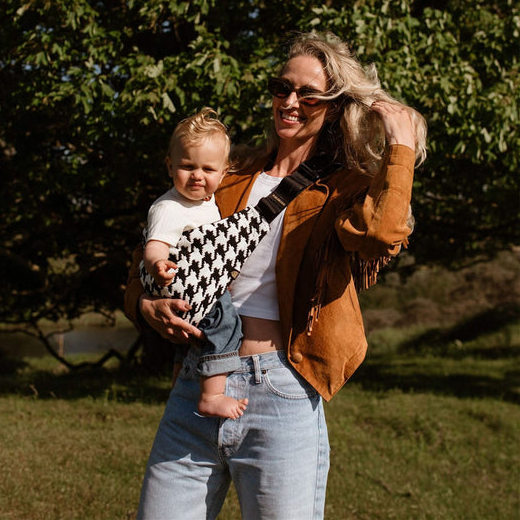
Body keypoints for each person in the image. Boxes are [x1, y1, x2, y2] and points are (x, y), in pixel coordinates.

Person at [124, 30, 427, 519]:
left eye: (309, 95)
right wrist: (145, 305)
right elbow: (151, 250)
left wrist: (401, 148)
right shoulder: (230, 173)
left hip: (282, 389)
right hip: (198, 383)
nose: (290, 102)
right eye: (281, 88)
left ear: (334, 105)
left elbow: (379, 235)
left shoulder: (344, 187)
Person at [140, 107, 248, 420]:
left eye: (208, 169)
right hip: (185, 284)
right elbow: (155, 245)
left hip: (194, 287)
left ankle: (179, 384)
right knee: (226, 325)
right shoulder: (169, 207)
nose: (197, 176)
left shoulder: (204, 202)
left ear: (224, 173)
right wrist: (158, 265)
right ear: (170, 166)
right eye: (188, 166)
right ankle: (212, 395)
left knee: (187, 342)